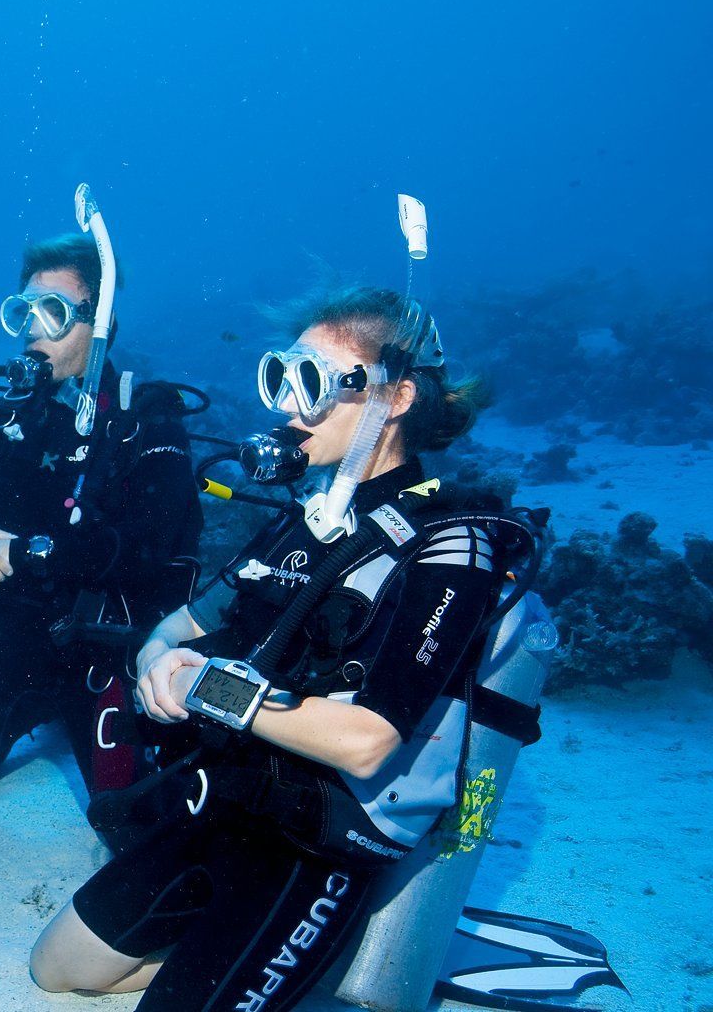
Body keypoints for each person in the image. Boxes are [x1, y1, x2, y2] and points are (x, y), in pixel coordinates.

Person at [30, 285, 516, 1012]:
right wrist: (158, 661)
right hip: (232, 798)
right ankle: (245, 958)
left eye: (313, 382)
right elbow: (182, 624)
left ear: (397, 396)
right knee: (55, 969)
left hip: (316, 842)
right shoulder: (305, 522)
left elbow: (368, 743)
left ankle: (328, 955)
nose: (288, 406)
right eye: (282, 378)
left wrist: (202, 687)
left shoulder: (451, 547)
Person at [0, 233, 201, 814]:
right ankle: (37, 707)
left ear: (101, 324)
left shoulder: (146, 417)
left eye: (54, 313)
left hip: (103, 650)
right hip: (9, 635)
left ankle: (78, 714)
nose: (33, 330)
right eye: (24, 312)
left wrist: (21, 553)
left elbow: (151, 542)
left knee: (127, 821)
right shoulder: (3, 416)